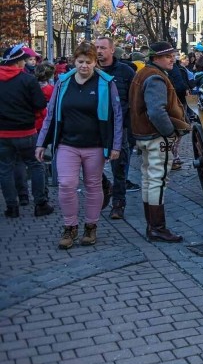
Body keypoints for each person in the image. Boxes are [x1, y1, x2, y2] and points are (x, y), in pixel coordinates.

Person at [36, 42, 122, 249]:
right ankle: (70, 226)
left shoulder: (106, 82)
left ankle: (91, 226)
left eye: (88, 62)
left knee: (93, 185)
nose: (84, 66)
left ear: (95, 62)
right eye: (80, 61)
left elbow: (117, 115)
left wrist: (115, 145)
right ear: (74, 61)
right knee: (66, 184)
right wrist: (41, 143)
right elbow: (51, 113)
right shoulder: (63, 82)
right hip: (67, 143)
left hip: (95, 145)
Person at [128, 42, 190, 243]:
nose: (172, 59)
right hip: (156, 136)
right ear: (155, 58)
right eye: (167, 56)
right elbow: (156, 111)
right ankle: (157, 228)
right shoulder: (155, 77)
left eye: (173, 55)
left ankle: (153, 226)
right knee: (157, 180)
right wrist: (169, 132)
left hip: (146, 135)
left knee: (149, 179)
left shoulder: (144, 73)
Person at [0, 44, 51, 219]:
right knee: (36, 165)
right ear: (17, 62)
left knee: (5, 169)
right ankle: (40, 204)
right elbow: (40, 104)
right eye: (23, 60)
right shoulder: (28, 80)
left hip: (3, 134)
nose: (24, 63)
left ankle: (12, 207)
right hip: (26, 132)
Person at [95, 36, 137, 220]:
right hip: (94, 127)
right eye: (96, 47)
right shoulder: (90, 71)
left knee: (119, 168)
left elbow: (135, 98)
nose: (99, 51)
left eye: (103, 47)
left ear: (112, 50)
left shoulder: (125, 71)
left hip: (119, 128)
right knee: (91, 166)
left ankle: (118, 203)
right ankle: (105, 185)